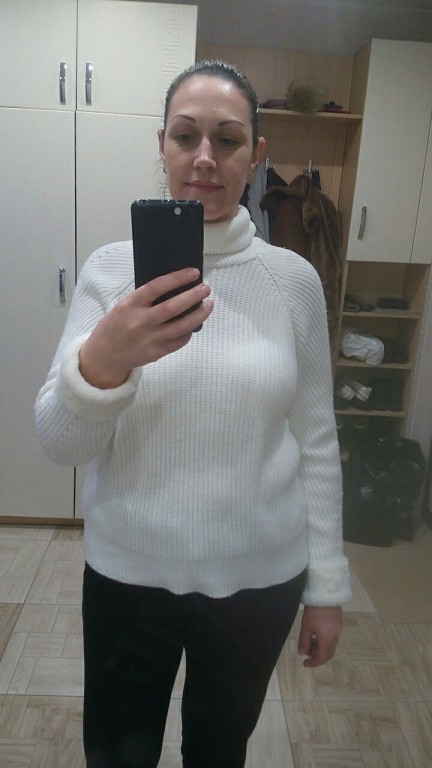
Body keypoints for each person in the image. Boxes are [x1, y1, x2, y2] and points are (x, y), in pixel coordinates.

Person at [35, 60, 351, 768]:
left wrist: (327, 587)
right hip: (128, 577)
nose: (205, 157)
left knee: (218, 751)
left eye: (227, 139)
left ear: (255, 155)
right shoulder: (109, 273)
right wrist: (103, 362)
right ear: (162, 145)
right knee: (118, 754)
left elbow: (316, 442)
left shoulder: (293, 282)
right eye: (186, 136)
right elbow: (59, 443)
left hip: (259, 582)